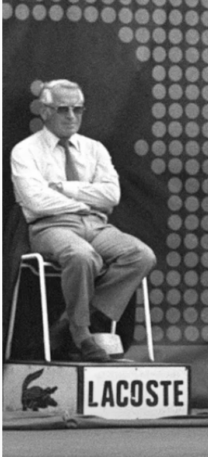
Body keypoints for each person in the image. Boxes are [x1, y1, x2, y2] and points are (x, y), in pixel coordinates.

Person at [10, 79, 156, 362]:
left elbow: (111, 195)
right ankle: (82, 334)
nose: (71, 116)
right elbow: (36, 201)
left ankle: (70, 322)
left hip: (96, 225)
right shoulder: (25, 151)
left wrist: (65, 189)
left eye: (77, 109)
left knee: (141, 256)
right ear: (44, 111)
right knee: (81, 256)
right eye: (63, 109)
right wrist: (85, 201)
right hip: (51, 226)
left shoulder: (94, 149)